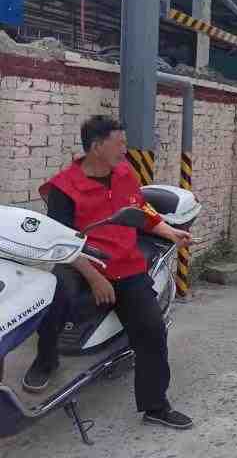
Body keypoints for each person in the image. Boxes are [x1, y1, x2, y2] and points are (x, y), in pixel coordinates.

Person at [23, 115, 194, 429]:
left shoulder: (125, 172)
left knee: (153, 331)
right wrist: (94, 277)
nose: (125, 149)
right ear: (96, 146)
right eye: (119, 143)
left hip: (126, 264)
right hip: (81, 262)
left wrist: (168, 231)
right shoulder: (64, 188)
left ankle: (155, 406)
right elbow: (62, 242)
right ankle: (46, 359)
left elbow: (140, 208)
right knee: (53, 296)